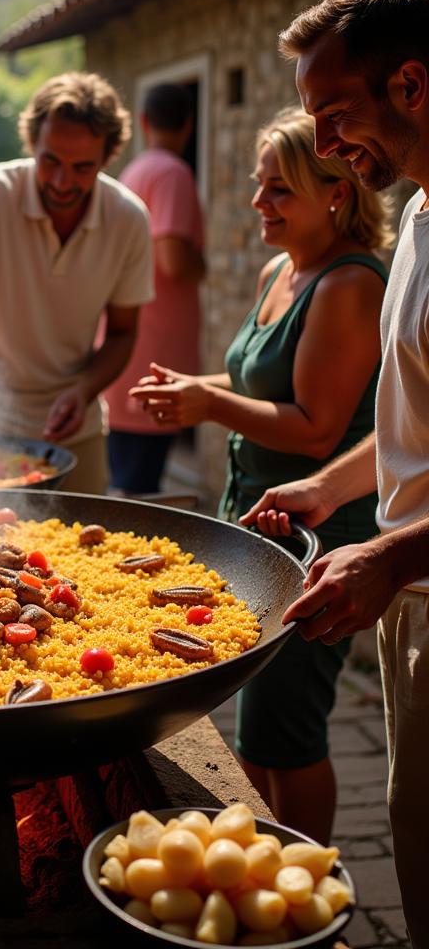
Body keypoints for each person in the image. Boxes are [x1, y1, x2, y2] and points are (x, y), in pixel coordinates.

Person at [130, 107, 390, 844]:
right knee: (256, 723)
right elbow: (259, 376)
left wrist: (209, 402)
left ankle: (305, 871)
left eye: (280, 189)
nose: (258, 204)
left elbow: (314, 429)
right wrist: (200, 383)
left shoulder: (348, 285)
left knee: (287, 728)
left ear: (335, 193)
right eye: (258, 185)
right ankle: (261, 853)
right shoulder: (283, 270)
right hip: (258, 514)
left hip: (318, 530)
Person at [233, 0, 429, 947]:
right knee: (413, 839)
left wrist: (388, 556)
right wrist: (325, 486)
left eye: (334, 113)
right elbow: (408, 422)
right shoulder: (423, 219)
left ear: (412, 84)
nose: (326, 144)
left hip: (410, 572)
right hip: (410, 592)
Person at [0, 72, 153, 493]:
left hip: (72, 425)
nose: (62, 182)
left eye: (82, 168)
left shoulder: (128, 218)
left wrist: (83, 391)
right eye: (51, 161)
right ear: (32, 144)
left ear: (108, 157)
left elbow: (122, 332)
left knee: (86, 553)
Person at [104, 83, 206, 494]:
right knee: (138, 492)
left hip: (130, 352)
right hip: (155, 355)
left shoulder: (134, 171)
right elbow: (173, 259)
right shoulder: (173, 173)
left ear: (144, 122)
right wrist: (204, 261)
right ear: (189, 124)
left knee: (127, 481)